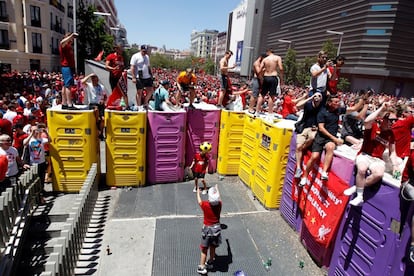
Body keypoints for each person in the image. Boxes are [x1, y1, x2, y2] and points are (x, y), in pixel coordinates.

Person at [343, 102, 401, 206]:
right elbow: (366, 120)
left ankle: (357, 187)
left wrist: (395, 166)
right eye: (391, 120)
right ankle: (360, 196)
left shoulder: (391, 134)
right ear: (383, 119)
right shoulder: (373, 126)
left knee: (378, 174)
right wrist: (381, 108)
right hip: (365, 154)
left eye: (395, 121)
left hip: (377, 159)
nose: (393, 123)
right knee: (362, 168)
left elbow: (393, 152)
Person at [299, 94, 364, 186]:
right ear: (329, 103)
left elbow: (354, 108)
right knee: (314, 157)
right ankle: (304, 176)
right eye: (336, 102)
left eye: (339, 102)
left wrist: (364, 99)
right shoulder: (322, 112)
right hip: (321, 137)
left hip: (330, 139)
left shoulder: (338, 111)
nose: (338, 104)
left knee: (331, 147)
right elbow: (321, 128)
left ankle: (324, 172)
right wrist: (334, 138)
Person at [294, 92, 323, 179]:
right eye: (315, 95)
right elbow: (298, 105)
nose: (317, 97)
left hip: (314, 129)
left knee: (312, 137)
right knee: (298, 146)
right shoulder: (308, 104)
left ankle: (303, 148)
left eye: (319, 96)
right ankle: (298, 168)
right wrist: (310, 98)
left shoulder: (322, 108)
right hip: (304, 128)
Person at [196, 183, 222, 275]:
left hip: (207, 230)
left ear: (209, 199)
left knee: (204, 249)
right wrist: (217, 189)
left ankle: (201, 267)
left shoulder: (206, 205)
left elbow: (199, 201)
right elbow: (219, 199)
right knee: (213, 247)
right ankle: (210, 262)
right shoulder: (219, 205)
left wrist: (198, 193)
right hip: (216, 230)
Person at [255, 48, 284, 115]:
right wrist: (282, 78)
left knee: (262, 95)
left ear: (268, 51)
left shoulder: (265, 59)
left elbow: (259, 71)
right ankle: (270, 113)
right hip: (273, 76)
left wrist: (262, 77)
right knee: (271, 96)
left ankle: (257, 111)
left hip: (266, 77)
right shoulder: (277, 58)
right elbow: (281, 68)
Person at [23, 125, 51, 194]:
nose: (36, 132)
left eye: (36, 130)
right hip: (33, 163)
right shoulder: (29, 140)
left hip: (42, 162)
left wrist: (46, 133)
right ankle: (37, 192)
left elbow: (50, 140)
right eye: (34, 130)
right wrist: (31, 134)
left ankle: (42, 190)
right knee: (35, 179)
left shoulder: (41, 139)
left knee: (42, 177)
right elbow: (25, 143)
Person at [81, 73, 107, 140]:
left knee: (103, 120)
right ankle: (97, 121)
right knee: (96, 109)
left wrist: (103, 100)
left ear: (97, 79)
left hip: (100, 104)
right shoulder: (89, 85)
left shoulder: (101, 87)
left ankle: (101, 133)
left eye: (94, 78)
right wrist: (89, 75)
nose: (93, 80)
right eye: (92, 79)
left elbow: (105, 96)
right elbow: (82, 81)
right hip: (92, 104)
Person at [130, 44, 154, 109]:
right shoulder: (135, 56)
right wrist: (133, 77)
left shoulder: (147, 57)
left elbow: (148, 66)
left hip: (147, 76)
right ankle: (138, 106)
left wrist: (151, 75)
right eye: (143, 51)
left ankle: (145, 102)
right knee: (139, 92)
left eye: (146, 51)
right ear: (140, 50)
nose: (144, 53)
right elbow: (132, 67)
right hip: (139, 77)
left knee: (151, 90)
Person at [59, 32, 78, 110]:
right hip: (66, 67)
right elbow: (62, 42)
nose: (71, 40)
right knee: (68, 86)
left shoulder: (69, 47)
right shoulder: (64, 45)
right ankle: (70, 104)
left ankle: (64, 103)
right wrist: (71, 36)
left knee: (65, 85)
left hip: (68, 67)